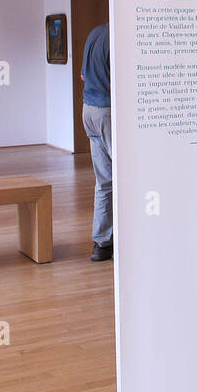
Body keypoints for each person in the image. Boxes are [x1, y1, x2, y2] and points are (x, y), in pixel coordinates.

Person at [80, 22, 112, 262]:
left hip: (88, 109)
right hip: (107, 110)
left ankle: (102, 243)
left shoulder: (95, 32)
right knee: (126, 177)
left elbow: (83, 74)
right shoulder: (118, 34)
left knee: (104, 181)